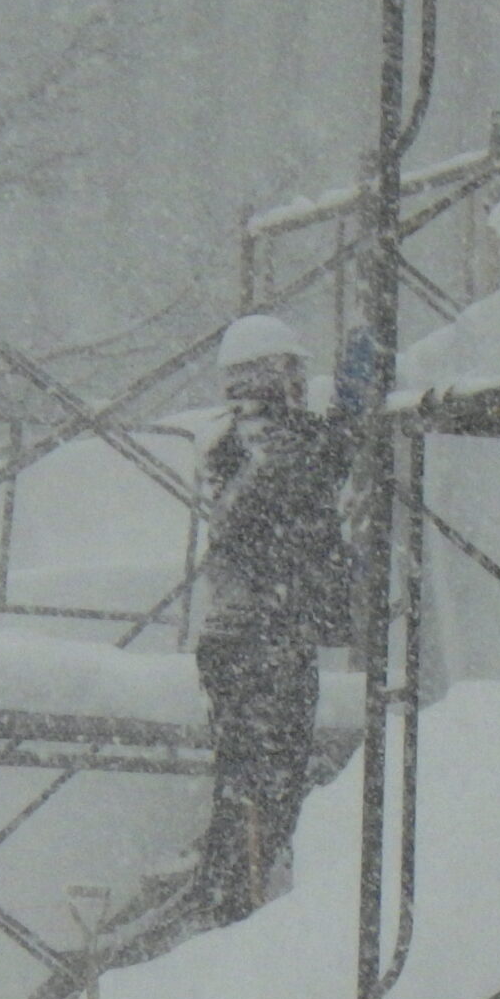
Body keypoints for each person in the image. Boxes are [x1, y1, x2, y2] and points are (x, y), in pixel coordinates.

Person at [191, 314, 356, 924]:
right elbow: (323, 459)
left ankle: (232, 891)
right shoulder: (272, 444)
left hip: (242, 637)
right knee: (269, 776)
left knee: (245, 775)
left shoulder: (231, 442)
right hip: (265, 636)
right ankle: (242, 897)